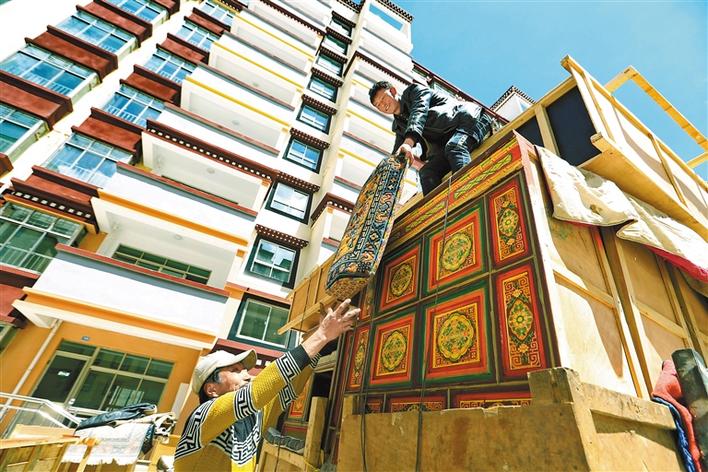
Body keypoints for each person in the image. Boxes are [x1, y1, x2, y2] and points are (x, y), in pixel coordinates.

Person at [174, 299, 360, 471]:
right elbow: (256, 393)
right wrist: (321, 335)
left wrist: (323, 345)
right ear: (211, 389)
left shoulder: (253, 418)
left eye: (245, 370)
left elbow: (287, 388)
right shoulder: (203, 416)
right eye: (235, 370)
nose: (247, 376)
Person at [369, 80, 495, 195]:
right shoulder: (398, 126)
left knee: (455, 147)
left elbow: (419, 112)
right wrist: (383, 180)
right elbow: (397, 155)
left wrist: (408, 143)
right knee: (426, 172)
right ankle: (442, 211)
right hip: (448, 144)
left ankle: (469, 196)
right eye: (378, 105)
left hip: (471, 120)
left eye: (383, 98)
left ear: (393, 91)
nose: (382, 105)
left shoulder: (415, 91)